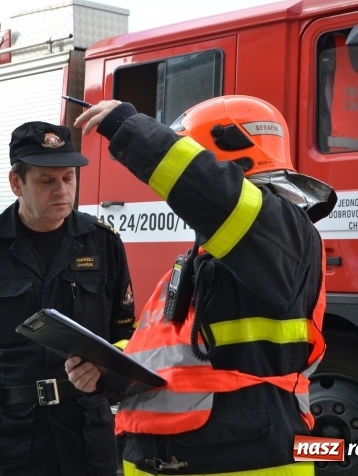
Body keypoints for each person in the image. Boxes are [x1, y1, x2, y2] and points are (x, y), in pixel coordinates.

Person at [66, 96, 336, 476]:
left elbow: (209, 189)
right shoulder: (209, 254)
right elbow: (168, 354)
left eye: (194, 154)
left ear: (230, 162)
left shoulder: (282, 232)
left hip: (243, 461)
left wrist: (130, 128)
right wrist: (108, 367)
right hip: (188, 456)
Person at [0, 121, 136, 476]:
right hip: (12, 434)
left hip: (85, 431)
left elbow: (124, 335)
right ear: (16, 183)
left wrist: (102, 375)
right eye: (47, 181)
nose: (62, 191)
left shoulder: (102, 243)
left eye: (68, 178)